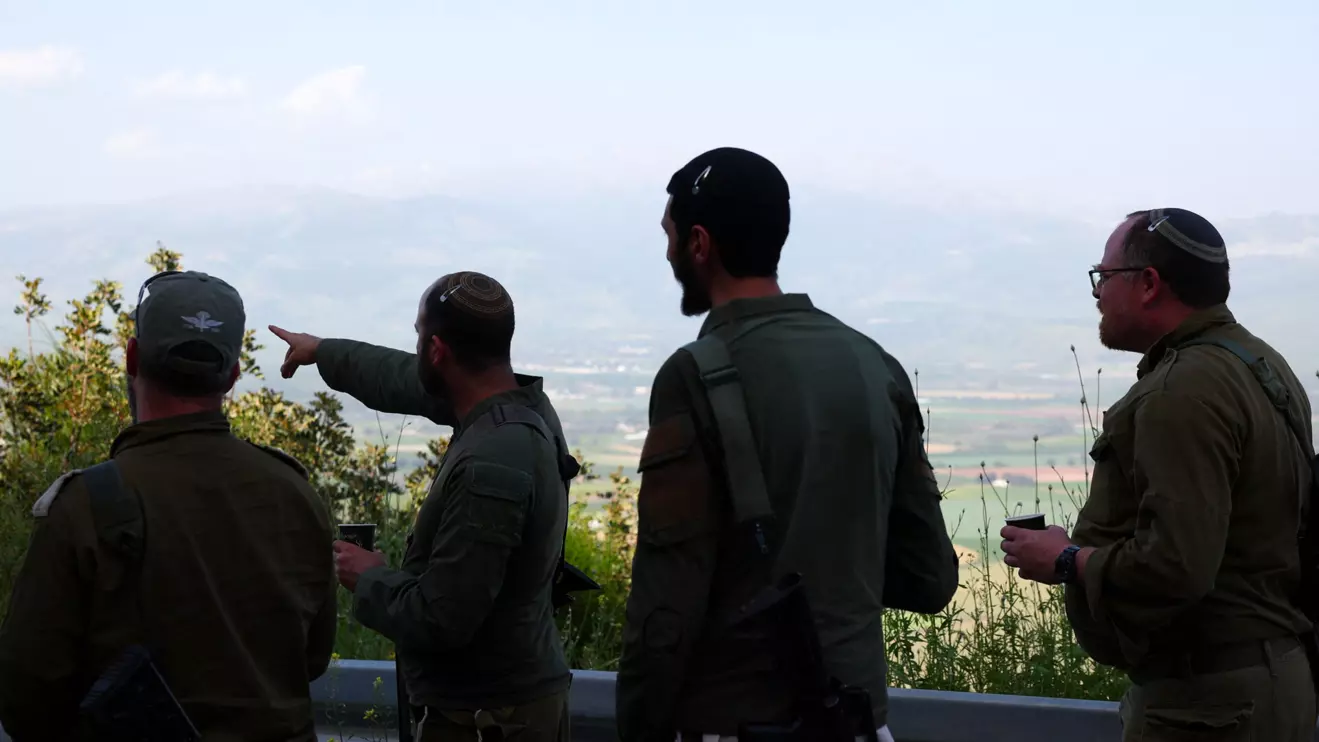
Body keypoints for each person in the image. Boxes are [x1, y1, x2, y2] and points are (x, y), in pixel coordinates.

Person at [615, 147, 961, 742]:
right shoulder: (875, 364)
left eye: (671, 236)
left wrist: (637, 721)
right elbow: (929, 577)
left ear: (699, 244)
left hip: (731, 722)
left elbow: (667, 601)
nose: (668, 252)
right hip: (857, 720)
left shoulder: (695, 375)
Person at [1001, 208, 1317, 741]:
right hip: (1270, 682)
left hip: (1206, 705)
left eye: (1104, 277)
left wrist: (1064, 559)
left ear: (1148, 284)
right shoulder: (1263, 365)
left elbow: (1176, 565)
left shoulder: (1182, 390)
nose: (1098, 294)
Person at [0, 270, 338, 741]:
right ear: (233, 376)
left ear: (133, 358)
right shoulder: (296, 495)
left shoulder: (85, 507)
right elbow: (312, 660)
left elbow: (26, 700)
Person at [269, 270, 574, 742]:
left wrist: (369, 576)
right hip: (495, 702)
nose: (416, 352)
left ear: (437, 352)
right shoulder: (518, 406)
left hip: (491, 716)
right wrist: (323, 352)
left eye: (419, 337)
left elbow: (444, 617)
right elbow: (399, 378)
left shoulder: (493, 461)